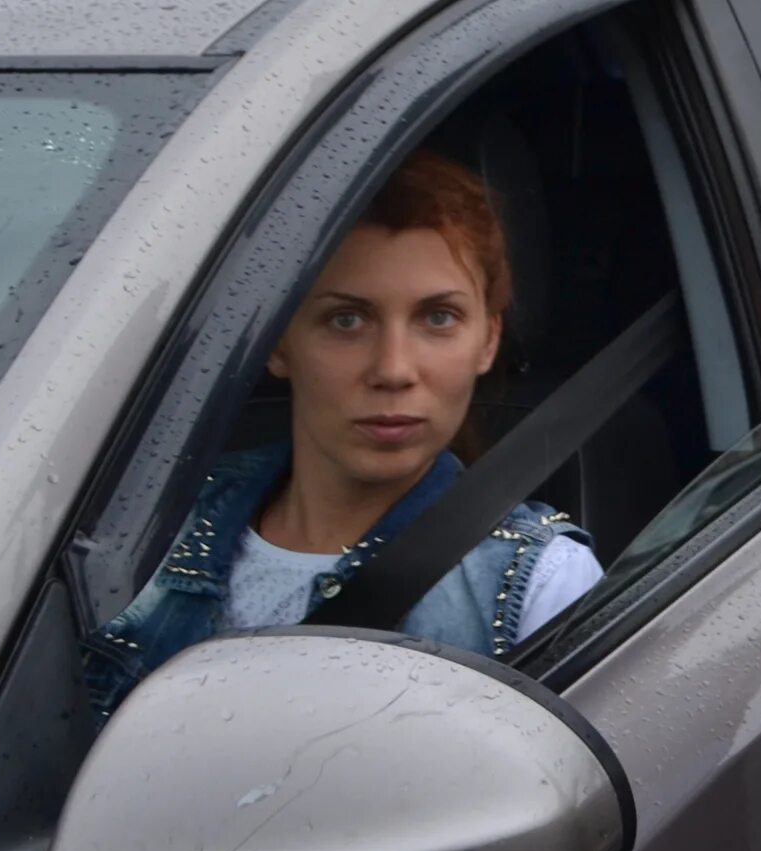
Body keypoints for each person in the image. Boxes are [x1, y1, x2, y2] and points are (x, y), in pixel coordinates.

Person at [83, 150, 602, 714]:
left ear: (488, 340)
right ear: (278, 342)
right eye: (346, 320)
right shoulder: (147, 530)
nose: (394, 369)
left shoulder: (539, 583)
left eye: (438, 318)